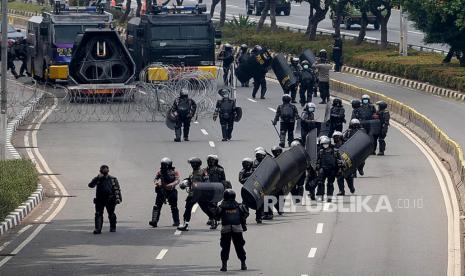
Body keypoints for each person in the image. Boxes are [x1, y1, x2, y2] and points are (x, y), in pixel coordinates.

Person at [215, 189, 249, 272]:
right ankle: (243, 263)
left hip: (225, 229)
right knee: (240, 246)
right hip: (237, 228)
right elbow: (245, 214)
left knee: (225, 247)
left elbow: (216, 216)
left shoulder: (221, 207)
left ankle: (224, 266)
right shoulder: (239, 206)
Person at [177, 157, 213, 231]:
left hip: (201, 193)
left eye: (192, 164)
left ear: (196, 164)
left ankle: (214, 219)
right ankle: (186, 224)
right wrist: (184, 183)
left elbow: (207, 182)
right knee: (188, 208)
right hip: (192, 193)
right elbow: (190, 181)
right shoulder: (192, 173)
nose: (191, 165)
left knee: (205, 208)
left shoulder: (203, 172)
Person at [88, 165, 122, 234]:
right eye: (103, 170)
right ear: (100, 171)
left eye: (105, 170)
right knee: (98, 214)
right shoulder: (98, 179)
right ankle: (98, 229)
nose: (104, 171)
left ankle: (113, 227)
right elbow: (91, 185)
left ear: (108, 171)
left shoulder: (113, 179)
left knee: (111, 214)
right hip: (100, 199)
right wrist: (97, 178)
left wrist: (118, 199)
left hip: (110, 199)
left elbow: (117, 189)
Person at [149, 158, 180, 227]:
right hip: (162, 190)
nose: (163, 166)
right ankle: (154, 221)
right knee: (157, 206)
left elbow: (177, 180)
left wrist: (171, 185)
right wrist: (157, 182)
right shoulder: (160, 172)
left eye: (164, 164)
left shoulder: (174, 172)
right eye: (162, 164)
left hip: (171, 191)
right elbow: (155, 179)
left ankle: (176, 221)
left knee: (174, 207)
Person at [316, 136, 343, 202]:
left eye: (326, 143)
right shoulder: (321, 152)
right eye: (323, 144)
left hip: (332, 170)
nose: (325, 145)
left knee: (330, 183)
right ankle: (320, 196)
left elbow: (340, 160)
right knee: (320, 183)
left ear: (329, 143)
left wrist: (339, 168)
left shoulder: (335, 151)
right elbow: (317, 161)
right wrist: (317, 169)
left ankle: (329, 197)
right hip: (323, 169)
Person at [205, 155, 229, 229]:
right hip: (207, 190)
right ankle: (212, 217)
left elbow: (223, 180)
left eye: (212, 160)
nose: (210, 162)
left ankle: (214, 220)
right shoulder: (205, 170)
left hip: (216, 189)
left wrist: (223, 189)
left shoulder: (220, 170)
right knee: (207, 205)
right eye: (209, 160)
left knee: (213, 205)